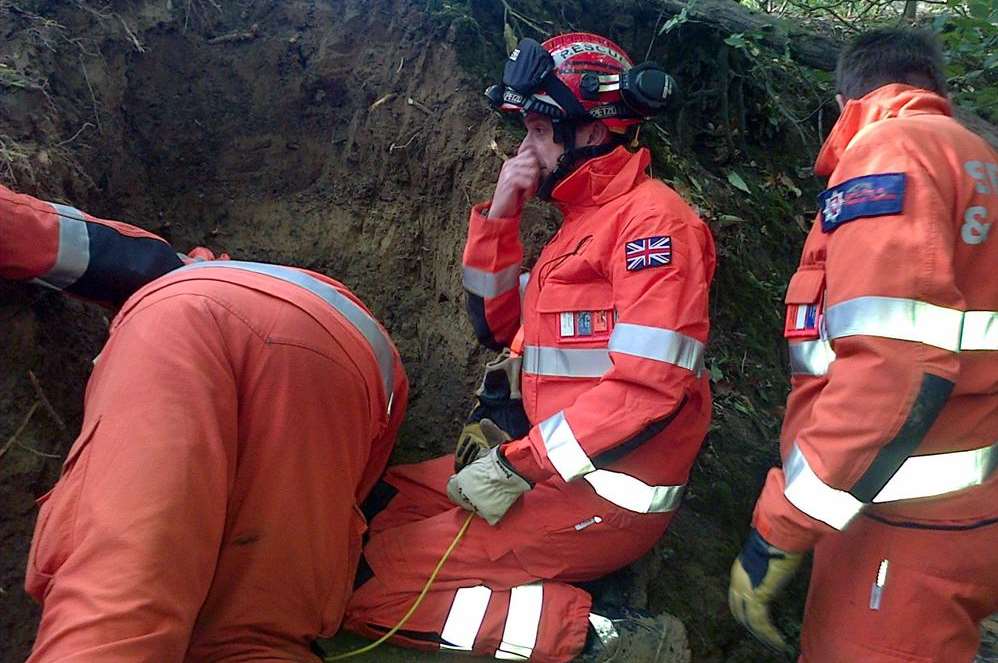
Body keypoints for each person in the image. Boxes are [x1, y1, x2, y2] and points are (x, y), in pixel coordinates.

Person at [342, 33, 715, 662]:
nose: (526, 148)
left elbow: (648, 389)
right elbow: (495, 325)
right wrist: (502, 215)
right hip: (544, 470)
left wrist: (517, 464)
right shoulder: (584, 223)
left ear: (592, 131)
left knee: (365, 585)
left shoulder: (654, 225)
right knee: (375, 507)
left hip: (603, 495)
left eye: (540, 129)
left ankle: (603, 641)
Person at [1, 183, 408, 661]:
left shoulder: (186, 278)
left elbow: (61, 239)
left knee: (121, 606)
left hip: (193, 323)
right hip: (358, 370)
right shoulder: (224, 278)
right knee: (251, 636)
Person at [727, 28, 998, 662]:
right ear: (937, 86)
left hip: (898, 524)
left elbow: (892, 369)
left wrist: (778, 534)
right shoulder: (978, 160)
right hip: (966, 507)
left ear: (848, 96)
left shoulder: (891, 154)